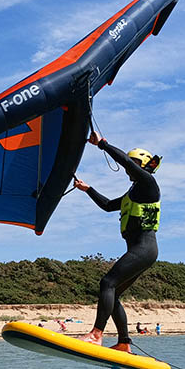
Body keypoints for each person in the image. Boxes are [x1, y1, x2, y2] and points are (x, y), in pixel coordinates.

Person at [72, 132, 162, 353]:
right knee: (113, 294)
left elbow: (124, 161)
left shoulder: (149, 184)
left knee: (107, 283)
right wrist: (88, 189)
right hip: (141, 250)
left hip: (145, 248)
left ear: (140, 166)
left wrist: (102, 144)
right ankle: (124, 343)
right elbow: (107, 205)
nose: (126, 169)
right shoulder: (133, 194)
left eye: (131, 165)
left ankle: (96, 334)